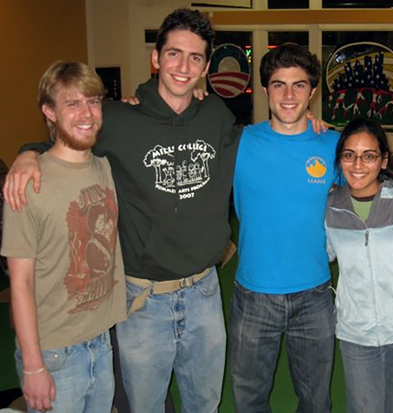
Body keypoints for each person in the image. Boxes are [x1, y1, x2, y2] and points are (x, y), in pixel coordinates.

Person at [4, 8, 241, 413]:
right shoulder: (117, 118)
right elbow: (68, 139)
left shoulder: (217, 115)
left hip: (204, 292)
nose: (183, 67)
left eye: (195, 57)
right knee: (145, 406)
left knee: (206, 403)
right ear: (156, 58)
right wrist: (29, 153)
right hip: (142, 299)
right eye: (174, 54)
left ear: (205, 67)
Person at [1, 61, 126, 412]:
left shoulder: (104, 167)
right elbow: (20, 283)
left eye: (93, 101)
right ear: (49, 112)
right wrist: (33, 365)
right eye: (72, 104)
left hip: (101, 342)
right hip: (54, 353)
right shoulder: (27, 184)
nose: (87, 113)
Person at [230, 43, 339, 413]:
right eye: (279, 85)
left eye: (299, 85)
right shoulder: (239, 142)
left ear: (312, 90)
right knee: (249, 399)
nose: (289, 95)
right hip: (253, 295)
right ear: (265, 91)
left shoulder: (335, 145)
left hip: (315, 294)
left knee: (315, 399)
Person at [325, 118, 393, 412]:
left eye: (369, 156)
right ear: (340, 160)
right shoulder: (331, 207)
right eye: (349, 155)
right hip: (357, 334)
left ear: (383, 161)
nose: (358, 164)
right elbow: (320, 254)